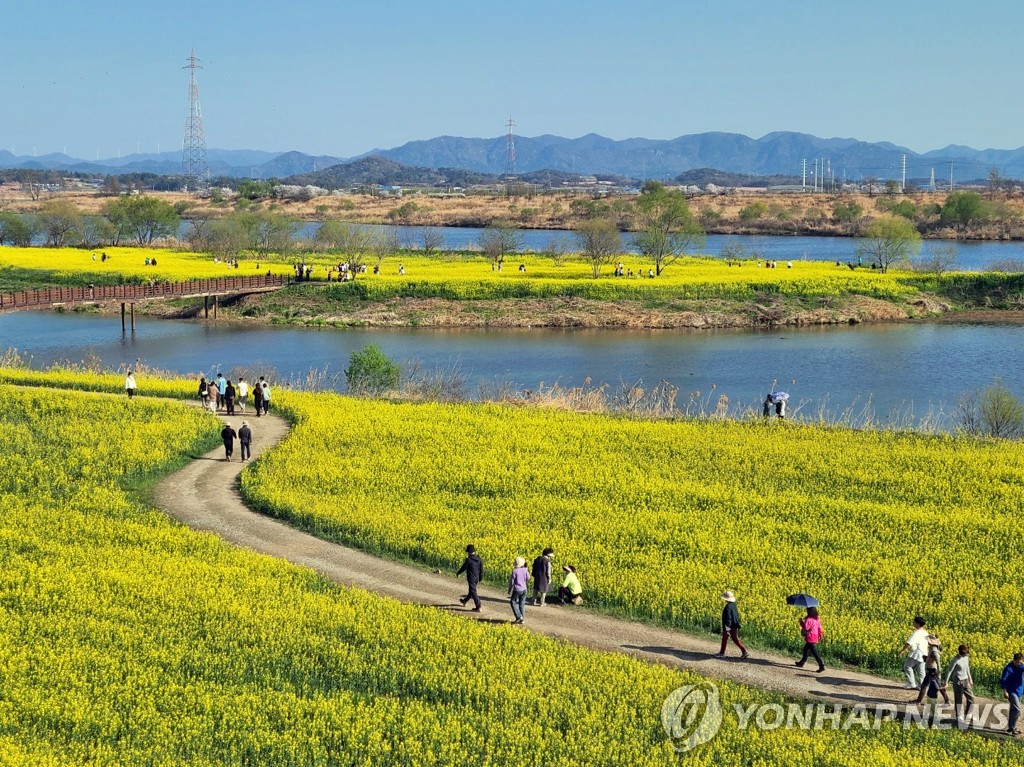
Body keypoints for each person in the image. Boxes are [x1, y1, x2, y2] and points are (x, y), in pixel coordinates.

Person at [943, 644, 974, 723]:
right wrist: (946, 682)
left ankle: (968, 714)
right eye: (965, 653)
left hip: (966, 680)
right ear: (961, 652)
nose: (967, 654)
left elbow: (967, 668)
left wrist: (970, 679)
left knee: (971, 698)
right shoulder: (955, 660)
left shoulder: (966, 658)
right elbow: (949, 671)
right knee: (958, 699)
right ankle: (958, 716)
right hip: (958, 681)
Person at [717, 590, 749, 659]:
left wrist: (727, 628)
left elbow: (728, 618)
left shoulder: (728, 607)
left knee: (726, 638)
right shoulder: (733, 604)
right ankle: (744, 651)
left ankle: (722, 653)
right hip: (734, 624)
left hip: (729, 626)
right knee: (734, 639)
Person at [902, 616, 930, 690]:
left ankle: (911, 684)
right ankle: (922, 686)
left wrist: (902, 650)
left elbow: (909, 643)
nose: (913, 623)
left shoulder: (917, 633)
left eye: (914, 622)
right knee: (921, 670)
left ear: (917, 624)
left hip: (917, 653)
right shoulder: (925, 632)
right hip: (924, 654)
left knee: (907, 666)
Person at [795, 606, 825, 672]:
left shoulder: (808, 619)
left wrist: (801, 622)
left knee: (814, 653)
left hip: (810, 636)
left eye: (807, 610)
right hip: (815, 636)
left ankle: (821, 666)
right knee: (806, 649)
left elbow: (805, 628)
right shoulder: (817, 618)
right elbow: (819, 627)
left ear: (809, 611)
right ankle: (801, 662)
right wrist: (820, 635)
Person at [1000, 653, 1024, 737]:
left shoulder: (1021, 666)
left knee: (1013, 709)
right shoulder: (1008, 669)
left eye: (1020, 662)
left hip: (1020, 691)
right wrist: (1005, 691)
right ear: (1014, 660)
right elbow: (1003, 680)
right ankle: (1013, 728)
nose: (1019, 664)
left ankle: (1011, 727)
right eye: (1017, 662)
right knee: (1017, 709)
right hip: (1011, 691)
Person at [456, 544, 483, 612]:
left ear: (469, 552)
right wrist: (480, 577)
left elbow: (464, 567)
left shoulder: (469, 560)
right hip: (476, 578)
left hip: (471, 578)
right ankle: (464, 601)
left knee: (473, 591)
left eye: (468, 552)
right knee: (471, 590)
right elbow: (481, 569)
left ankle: (478, 606)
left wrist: (458, 572)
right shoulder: (479, 559)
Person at [508, 556, 530, 624]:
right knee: (522, 604)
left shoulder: (515, 571)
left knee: (513, 602)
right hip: (524, 589)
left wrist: (509, 590)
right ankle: (522, 619)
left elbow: (511, 582)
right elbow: (528, 578)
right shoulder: (525, 569)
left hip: (517, 589)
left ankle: (519, 616)